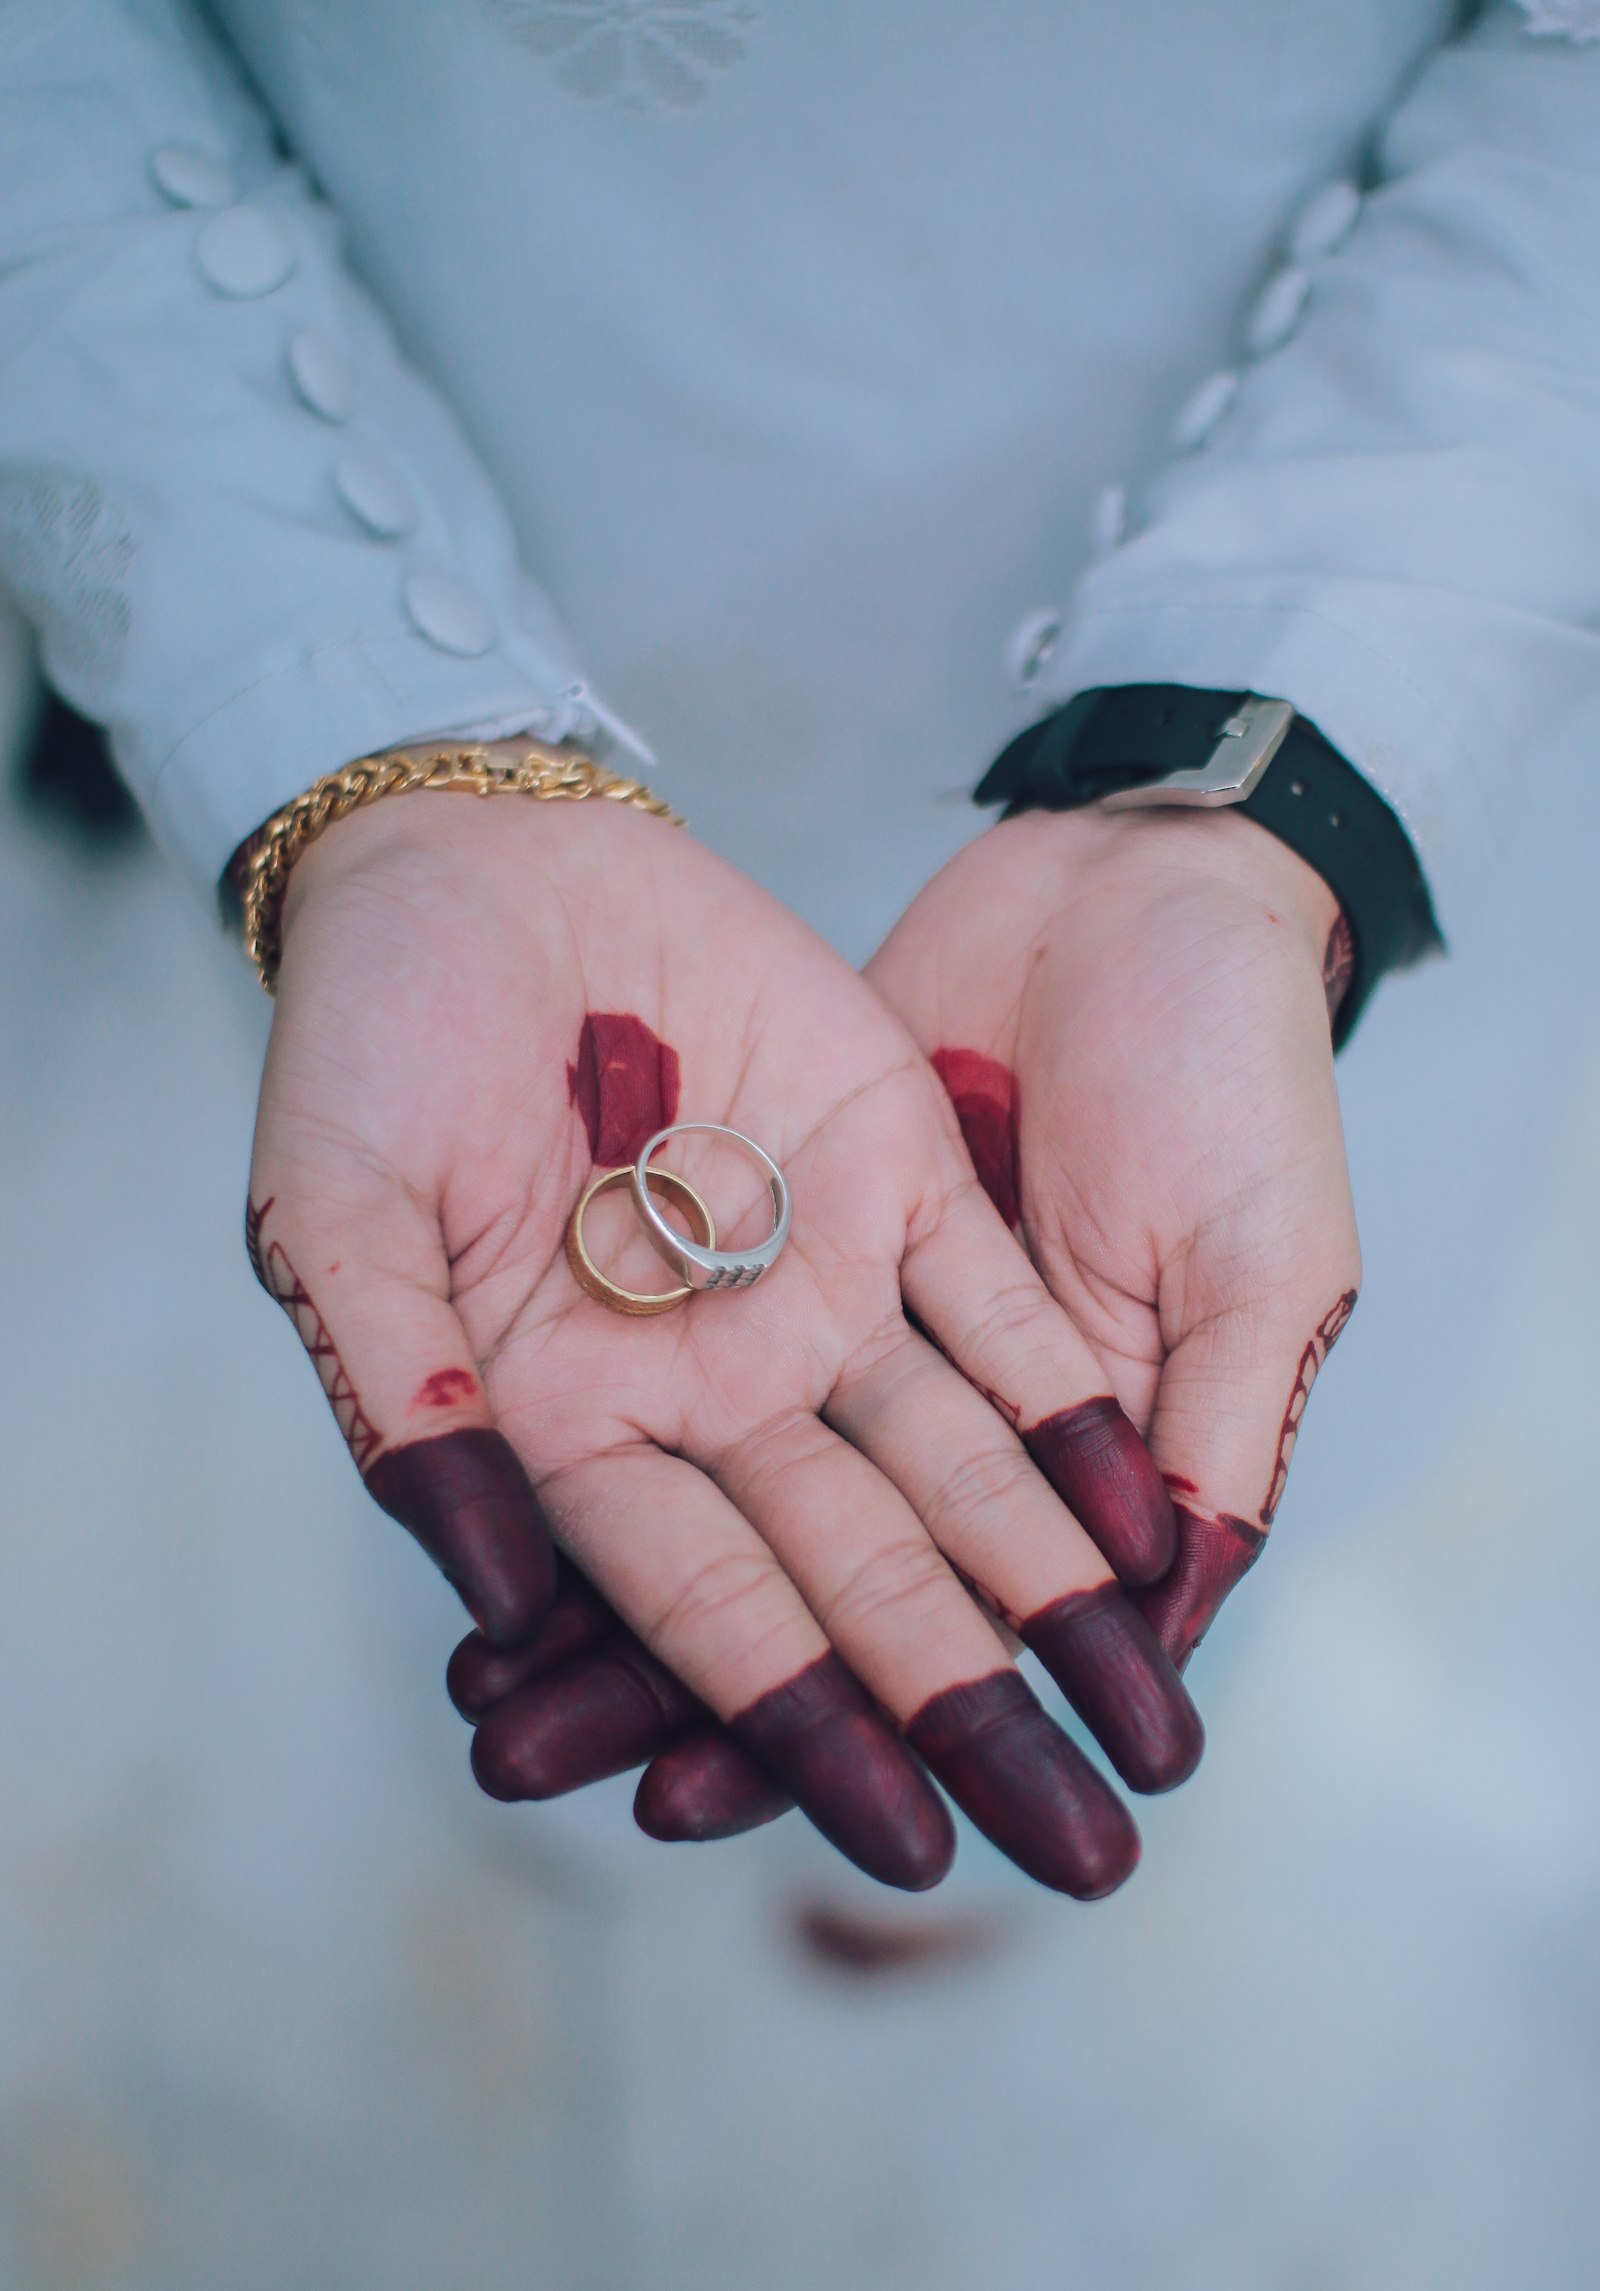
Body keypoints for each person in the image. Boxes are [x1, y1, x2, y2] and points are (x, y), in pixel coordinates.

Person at [3, 0, 1598, 1899]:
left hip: (1281, 555)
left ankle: (1038, 1692)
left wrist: (1274, 786)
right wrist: (324, 697)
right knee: (473, 1300)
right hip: (463, 495)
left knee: (1138, 1401)